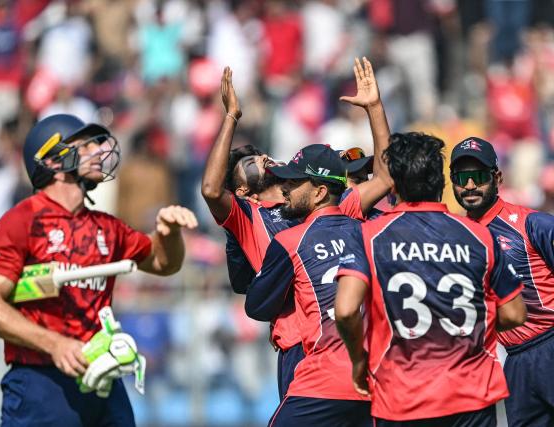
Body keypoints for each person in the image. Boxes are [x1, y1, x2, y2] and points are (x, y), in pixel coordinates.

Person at [0, 114, 197, 427]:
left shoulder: (107, 227)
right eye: (86, 144)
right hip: (42, 383)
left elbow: (164, 263)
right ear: (51, 160)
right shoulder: (21, 221)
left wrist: (169, 233)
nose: (98, 149)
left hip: (102, 380)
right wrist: (55, 344)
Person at [201, 58, 392, 399]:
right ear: (243, 191)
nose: (260, 159)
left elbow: (385, 178)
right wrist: (231, 117)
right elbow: (212, 191)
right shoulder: (250, 216)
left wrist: (374, 109)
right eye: (247, 163)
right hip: (298, 349)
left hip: (344, 344)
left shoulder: (323, 202)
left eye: (260, 154)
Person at [335, 132, 527, 427]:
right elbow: (515, 314)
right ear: (442, 182)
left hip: (402, 395)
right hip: (471, 394)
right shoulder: (481, 236)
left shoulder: (369, 236)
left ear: (394, 185)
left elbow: (346, 310)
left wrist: (359, 360)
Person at [245, 144, 382, 426]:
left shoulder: (290, 240)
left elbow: (257, 307)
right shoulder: (371, 233)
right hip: (379, 380)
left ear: (320, 193)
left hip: (325, 378)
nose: (285, 188)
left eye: (294, 183)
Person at [449, 136, 554, 427]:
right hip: (515, 361)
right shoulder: (456, 237)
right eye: (462, 178)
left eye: (478, 177)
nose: (470, 185)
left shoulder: (532, 224)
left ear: (497, 177)